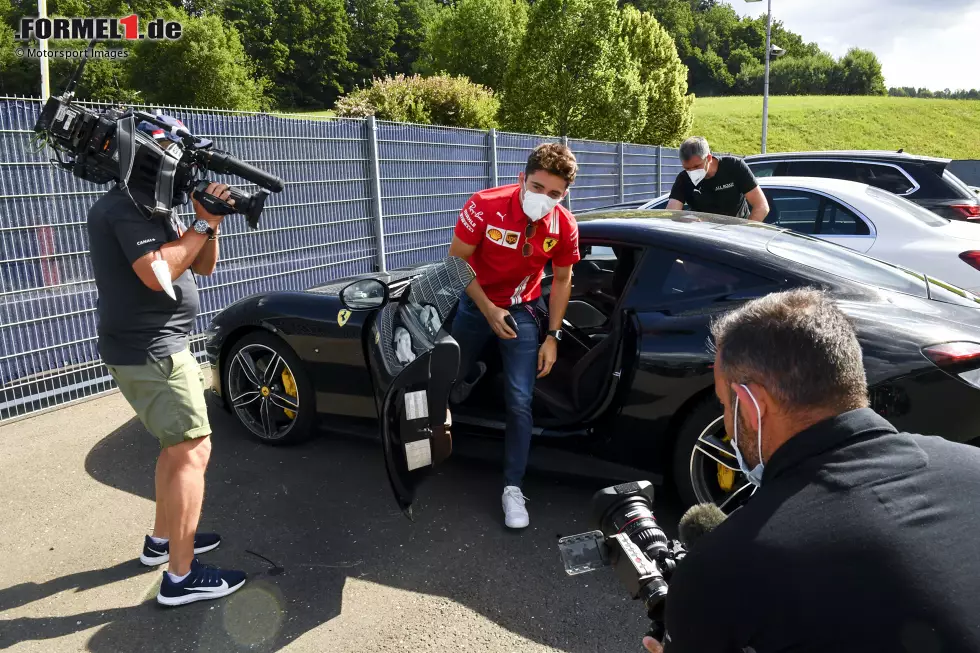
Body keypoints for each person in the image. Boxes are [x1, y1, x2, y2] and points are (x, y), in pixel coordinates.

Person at [643, 288, 980, 653]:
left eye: (725, 404)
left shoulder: (725, 567)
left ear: (753, 405)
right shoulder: (972, 466)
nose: (726, 423)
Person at [87, 118, 247, 607]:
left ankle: (164, 542)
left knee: (174, 448)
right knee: (193, 450)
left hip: (158, 347)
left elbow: (200, 264)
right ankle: (181, 577)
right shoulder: (122, 209)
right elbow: (159, 274)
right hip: (151, 352)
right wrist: (201, 222)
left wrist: (210, 223)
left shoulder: (149, 207)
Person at [447, 143, 580, 529]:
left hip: (522, 309)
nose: (544, 199)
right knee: (450, 377)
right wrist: (488, 309)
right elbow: (456, 263)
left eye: (554, 194)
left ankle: (512, 488)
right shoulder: (485, 205)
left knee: (520, 400)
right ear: (522, 179)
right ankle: (468, 377)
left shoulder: (564, 226)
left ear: (564, 195)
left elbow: (563, 280)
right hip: (476, 301)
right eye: (537, 187)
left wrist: (552, 336)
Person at [666, 136, 769, 221]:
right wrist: (683, 220)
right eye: (687, 168)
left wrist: (745, 234)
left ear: (709, 158)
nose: (692, 172)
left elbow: (761, 206)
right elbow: (672, 213)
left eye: (697, 166)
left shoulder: (734, 167)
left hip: (737, 233)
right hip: (706, 238)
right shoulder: (683, 179)